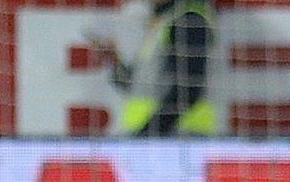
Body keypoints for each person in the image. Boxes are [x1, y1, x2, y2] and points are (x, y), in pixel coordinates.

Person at [93, 0, 217, 136]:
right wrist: (115, 63)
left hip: (180, 136)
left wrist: (147, 134)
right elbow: (139, 86)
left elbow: (189, 89)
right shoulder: (162, 22)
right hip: (156, 137)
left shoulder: (189, 20)